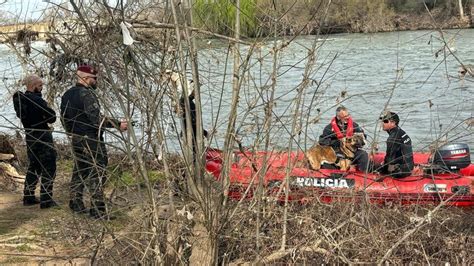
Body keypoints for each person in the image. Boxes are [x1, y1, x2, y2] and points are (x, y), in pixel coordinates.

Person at [60, 65, 128, 219]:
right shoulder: (86, 95)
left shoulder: (66, 95)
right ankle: (97, 210)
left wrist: (70, 134)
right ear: (85, 78)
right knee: (98, 171)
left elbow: (63, 118)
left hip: (76, 139)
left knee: (80, 170)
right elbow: (96, 119)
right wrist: (118, 124)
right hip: (90, 139)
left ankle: (75, 203)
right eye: (94, 78)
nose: (96, 81)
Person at [12, 74, 57, 208]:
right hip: (42, 135)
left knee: (34, 165)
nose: (42, 88)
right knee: (49, 166)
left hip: (30, 135)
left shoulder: (20, 100)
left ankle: (28, 196)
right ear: (33, 86)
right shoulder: (37, 100)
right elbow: (52, 117)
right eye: (40, 86)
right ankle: (46, 199)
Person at [318, 106, 370, 172]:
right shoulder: (329, 128)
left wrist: (358, 141)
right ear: (338, 117)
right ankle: (335, 175)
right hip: (337, 152)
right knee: (328, 161)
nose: (347, 117)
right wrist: (335, 142)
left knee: (363, 155)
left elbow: (363, 137)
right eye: (345, 116)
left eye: (348, 115)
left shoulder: (354, 126)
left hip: (352, 151)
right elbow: (322, 141)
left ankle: (364, 175)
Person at [378, 111, 414, 178]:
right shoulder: (401, 132)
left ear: (393, 123)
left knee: (375, 166)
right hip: (408, 169)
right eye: (383, 121)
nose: (383, 123)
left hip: (400, 173)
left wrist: (381, 171)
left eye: (385, 121)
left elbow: (389, 160)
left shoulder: (392, 139)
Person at [179, 83, 208, 153]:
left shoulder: (185, 100)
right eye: (194, 91)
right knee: (194, 150)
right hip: (191, 132)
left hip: (188, 130)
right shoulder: (187, 102)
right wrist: (204, 133)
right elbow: (193, 121)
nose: (195, 93)